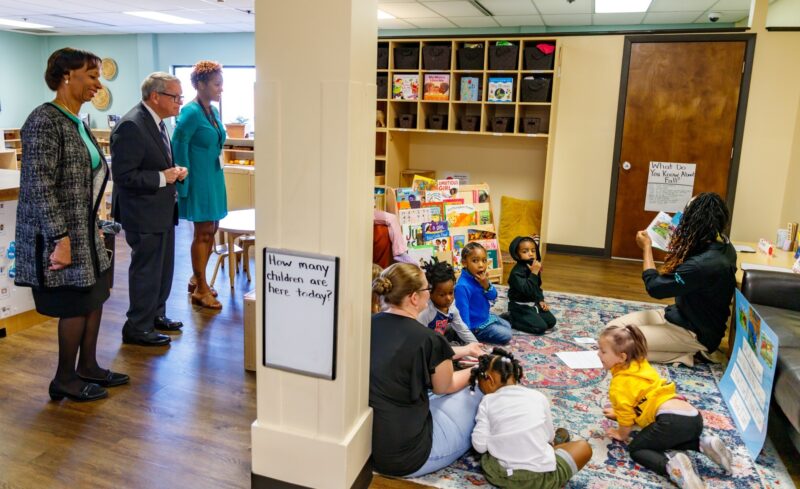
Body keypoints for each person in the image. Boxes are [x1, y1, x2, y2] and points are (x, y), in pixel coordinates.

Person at [15, 47, 128, 402]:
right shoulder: (45, 120)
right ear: (67, 76)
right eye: (91, 76)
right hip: (60, 233)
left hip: (84, 229)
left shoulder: (76, 121)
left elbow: (85, 179)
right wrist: (59, 238)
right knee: (75, 304)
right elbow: (39, 184)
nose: (97, 84)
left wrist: (93, 221)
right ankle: (64, 378)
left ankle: (88, 367)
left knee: (94, 298)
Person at [370, 263, 485, 477]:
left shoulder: (367, 324)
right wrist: (477, 370)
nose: (429, 294)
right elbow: (445, 386)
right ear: (414, 297)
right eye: (427, 289)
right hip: (409, 456)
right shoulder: (429, 339)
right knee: (480, 386)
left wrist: (464, 350)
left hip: (368, 449)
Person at [606, 193, 737, 366]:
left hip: (695, 332)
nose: (681, 218)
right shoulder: (724, 244)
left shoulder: (703, 265)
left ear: (695, 222)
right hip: (678, 315)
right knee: (611, 330)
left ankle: (690, 352)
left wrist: (646, 248)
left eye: (685, 214)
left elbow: (655, 288)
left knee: (617, 345)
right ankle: (681, 352)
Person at [598, 324, 732, 489]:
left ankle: (672, 469)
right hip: (693, 417)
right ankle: (704, 444)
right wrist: (618, 412)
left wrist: (621, 433)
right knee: (667, 438)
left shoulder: (619, 384)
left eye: (603, 351)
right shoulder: (640, 364)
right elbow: (636, 400)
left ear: (622, 357)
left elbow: (626, 418)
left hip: (670, 420)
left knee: (637, 449)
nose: (598, 354)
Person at [111, 72, 188, 346]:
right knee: (146, 270)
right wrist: (162, 177)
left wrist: (173, 172)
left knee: (163, 268)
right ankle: (137, 326)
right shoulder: (131, 125)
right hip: (142, 213)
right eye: (176, 97)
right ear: (155, 96)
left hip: (161, 210)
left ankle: (156, 315)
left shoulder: (157, 122)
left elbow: (156, 161)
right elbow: (123, 176)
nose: (180, 102)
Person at [470, 348, 592, 489]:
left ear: (489, 379)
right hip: (539, 479)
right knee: (584, 447)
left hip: (500, 476)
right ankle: (555, 454)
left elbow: (479, 446)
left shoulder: (487, 401)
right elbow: (548, 436)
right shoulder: (538, 396)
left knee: (490, 452)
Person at [172, 60, 227, 310]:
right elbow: (178, 147)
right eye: (217, 84)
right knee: (203, 232)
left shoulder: (212, 111)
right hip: (198, 180)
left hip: (214, 177)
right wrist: (182, 184)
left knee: (212, 229)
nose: (221, 89)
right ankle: (201, 290)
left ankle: (197, 278)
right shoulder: (191, 112)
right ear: (200, 84)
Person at [455, 242, 512, 345]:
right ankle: (477, 334)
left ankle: (493, 320)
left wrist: (486, 285)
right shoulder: (462, 287)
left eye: (484, 260)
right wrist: (468, 338)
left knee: (508, 325)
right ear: (464, 263)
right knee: (507, 335)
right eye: (475, 261)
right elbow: (463, 315)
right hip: (475, 326)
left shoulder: (482, 278)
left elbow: (493, 296)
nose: (481, 265)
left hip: (485, 317)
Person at [418, 259, 478, 344]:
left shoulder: (451, 307)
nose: (449, 298)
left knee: (454, 330)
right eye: (442, 295)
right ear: (430, 292)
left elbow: (462, 329)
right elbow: (418, 340)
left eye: (451, 292)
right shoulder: (425, 312)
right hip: (426, 343)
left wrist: (477, 346)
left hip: (439, 336)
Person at [507, 236, 556, 335]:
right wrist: (534, 273)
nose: (530, 254)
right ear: (517, 254)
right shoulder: (516, 273)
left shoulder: (533, 266)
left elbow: (537, 287)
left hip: (533, 304)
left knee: (551, 322)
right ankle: (511, 318)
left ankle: (533, 313)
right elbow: (527, 290)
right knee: (540, 328)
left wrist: (540, 300)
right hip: (520, 307)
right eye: (525, 251)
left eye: (533, 251)